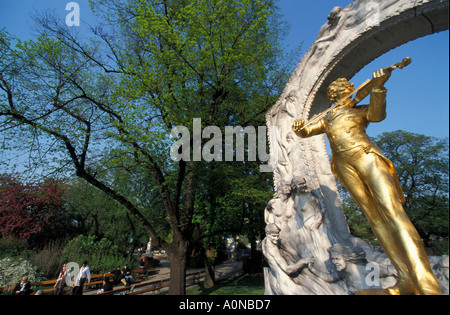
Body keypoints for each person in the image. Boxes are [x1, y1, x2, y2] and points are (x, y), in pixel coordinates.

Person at [292, 67, 441, 295]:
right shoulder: (329, 117)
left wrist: (378, 87)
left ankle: (426, 283)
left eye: (346, 90)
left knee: (393, 213)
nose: (344, 93)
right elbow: (307, 131)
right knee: (374, 219)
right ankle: (404, 279)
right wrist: (300, 129)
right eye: (339, 92)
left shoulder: (358, 111)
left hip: (366, 156)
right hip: (343, 165)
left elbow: (377, 115)